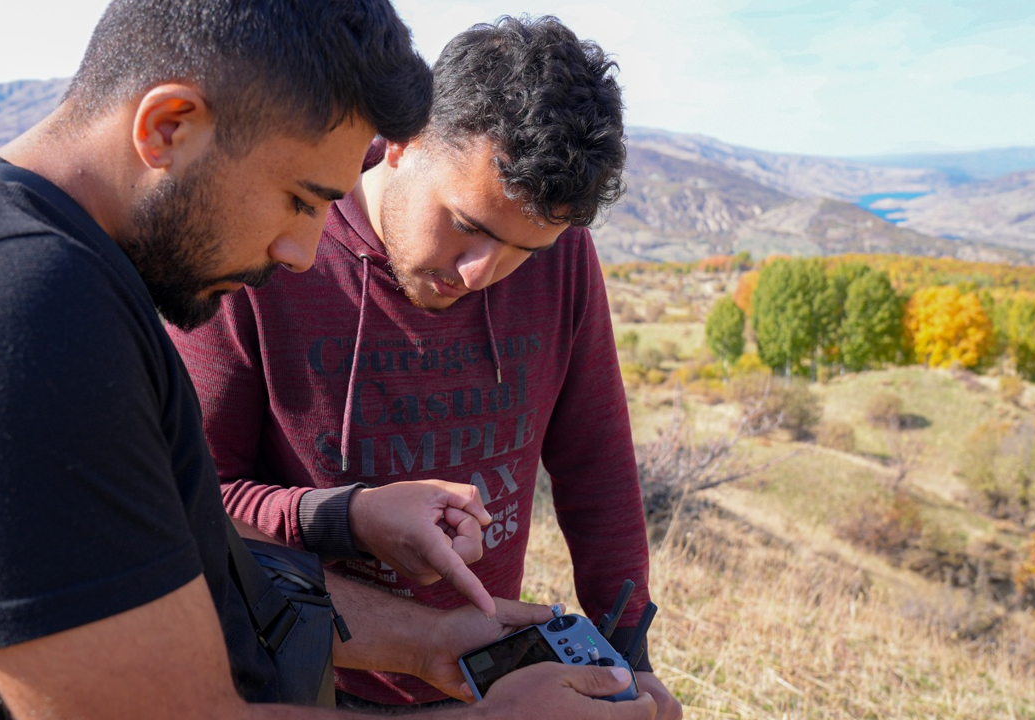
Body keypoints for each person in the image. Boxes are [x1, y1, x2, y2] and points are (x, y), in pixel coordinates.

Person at [0, 2, 659, 719]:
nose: (302, 252)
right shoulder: (12, 321)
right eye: (301, 199)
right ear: (168, 126)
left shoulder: (12, 267)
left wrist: (431, 640)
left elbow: (187, 568)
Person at [170, 16, 681, 719]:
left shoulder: (562, 261)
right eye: (469, 225)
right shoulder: (275, 249)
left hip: (491, 679)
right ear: (405, 140)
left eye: (522, 252)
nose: (482, 274)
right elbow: (198, 505)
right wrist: (348, 519)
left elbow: (597, 464)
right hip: (296, 681)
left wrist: (630, 658)